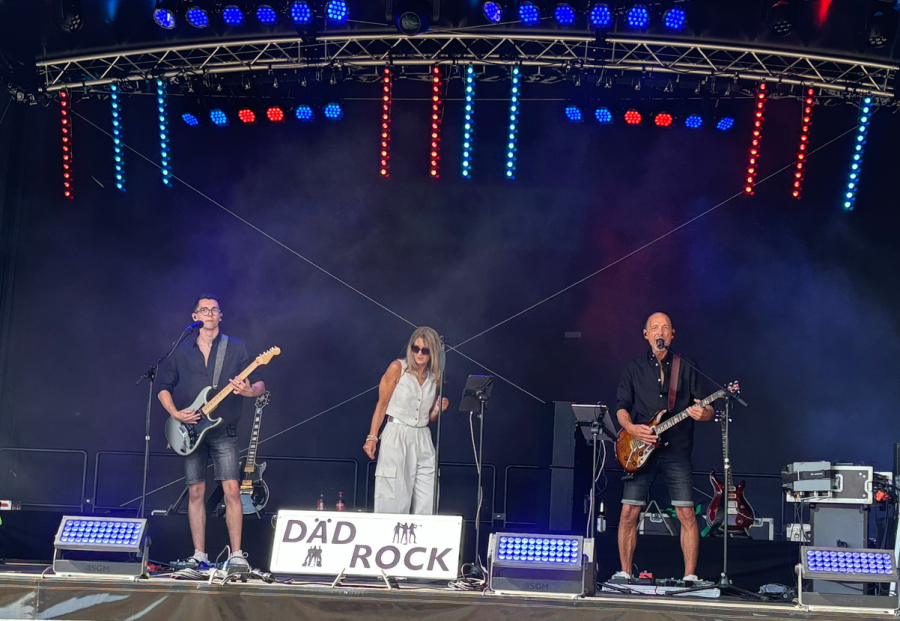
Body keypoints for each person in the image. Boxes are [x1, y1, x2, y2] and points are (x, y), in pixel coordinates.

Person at [157, 294, 266, 571]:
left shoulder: (236, 348)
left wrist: (248, 391)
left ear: (221, 316)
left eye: (214, 310)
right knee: (195, 491)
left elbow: (260, 384)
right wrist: (175, 413)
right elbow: (163, 386)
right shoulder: (181, 350)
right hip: (191, 429)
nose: (209, 314)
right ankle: (199, 555)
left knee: (232, 489)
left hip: (224, 428)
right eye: (203, 310)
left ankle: (237, 554)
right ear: (194, 317)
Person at [613, 312, 714, 582]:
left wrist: (703, 413)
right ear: (646, 335)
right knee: (629, 511)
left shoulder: (687, 366)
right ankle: (625, 573)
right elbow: (621, 407)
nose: (660, 332)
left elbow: (708, 409)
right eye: (655, 328)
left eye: (665, 328)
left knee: (686, 512)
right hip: (640, 449)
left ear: (672, 335)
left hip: (677, 450)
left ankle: (690, 576)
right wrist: (633, 429)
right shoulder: (634, 368)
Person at [364, 327, 449, 514]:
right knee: (394, 494)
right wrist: (372, 437)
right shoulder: (398, 368)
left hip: (422, 435)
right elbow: (382, 404)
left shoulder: (435, 377)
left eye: (425, 350)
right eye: (415, 348)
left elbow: (429, 417)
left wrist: (437, 409)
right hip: (397, 431)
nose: (419, 353)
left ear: (433, 352)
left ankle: (423, 531)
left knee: (427, 494)